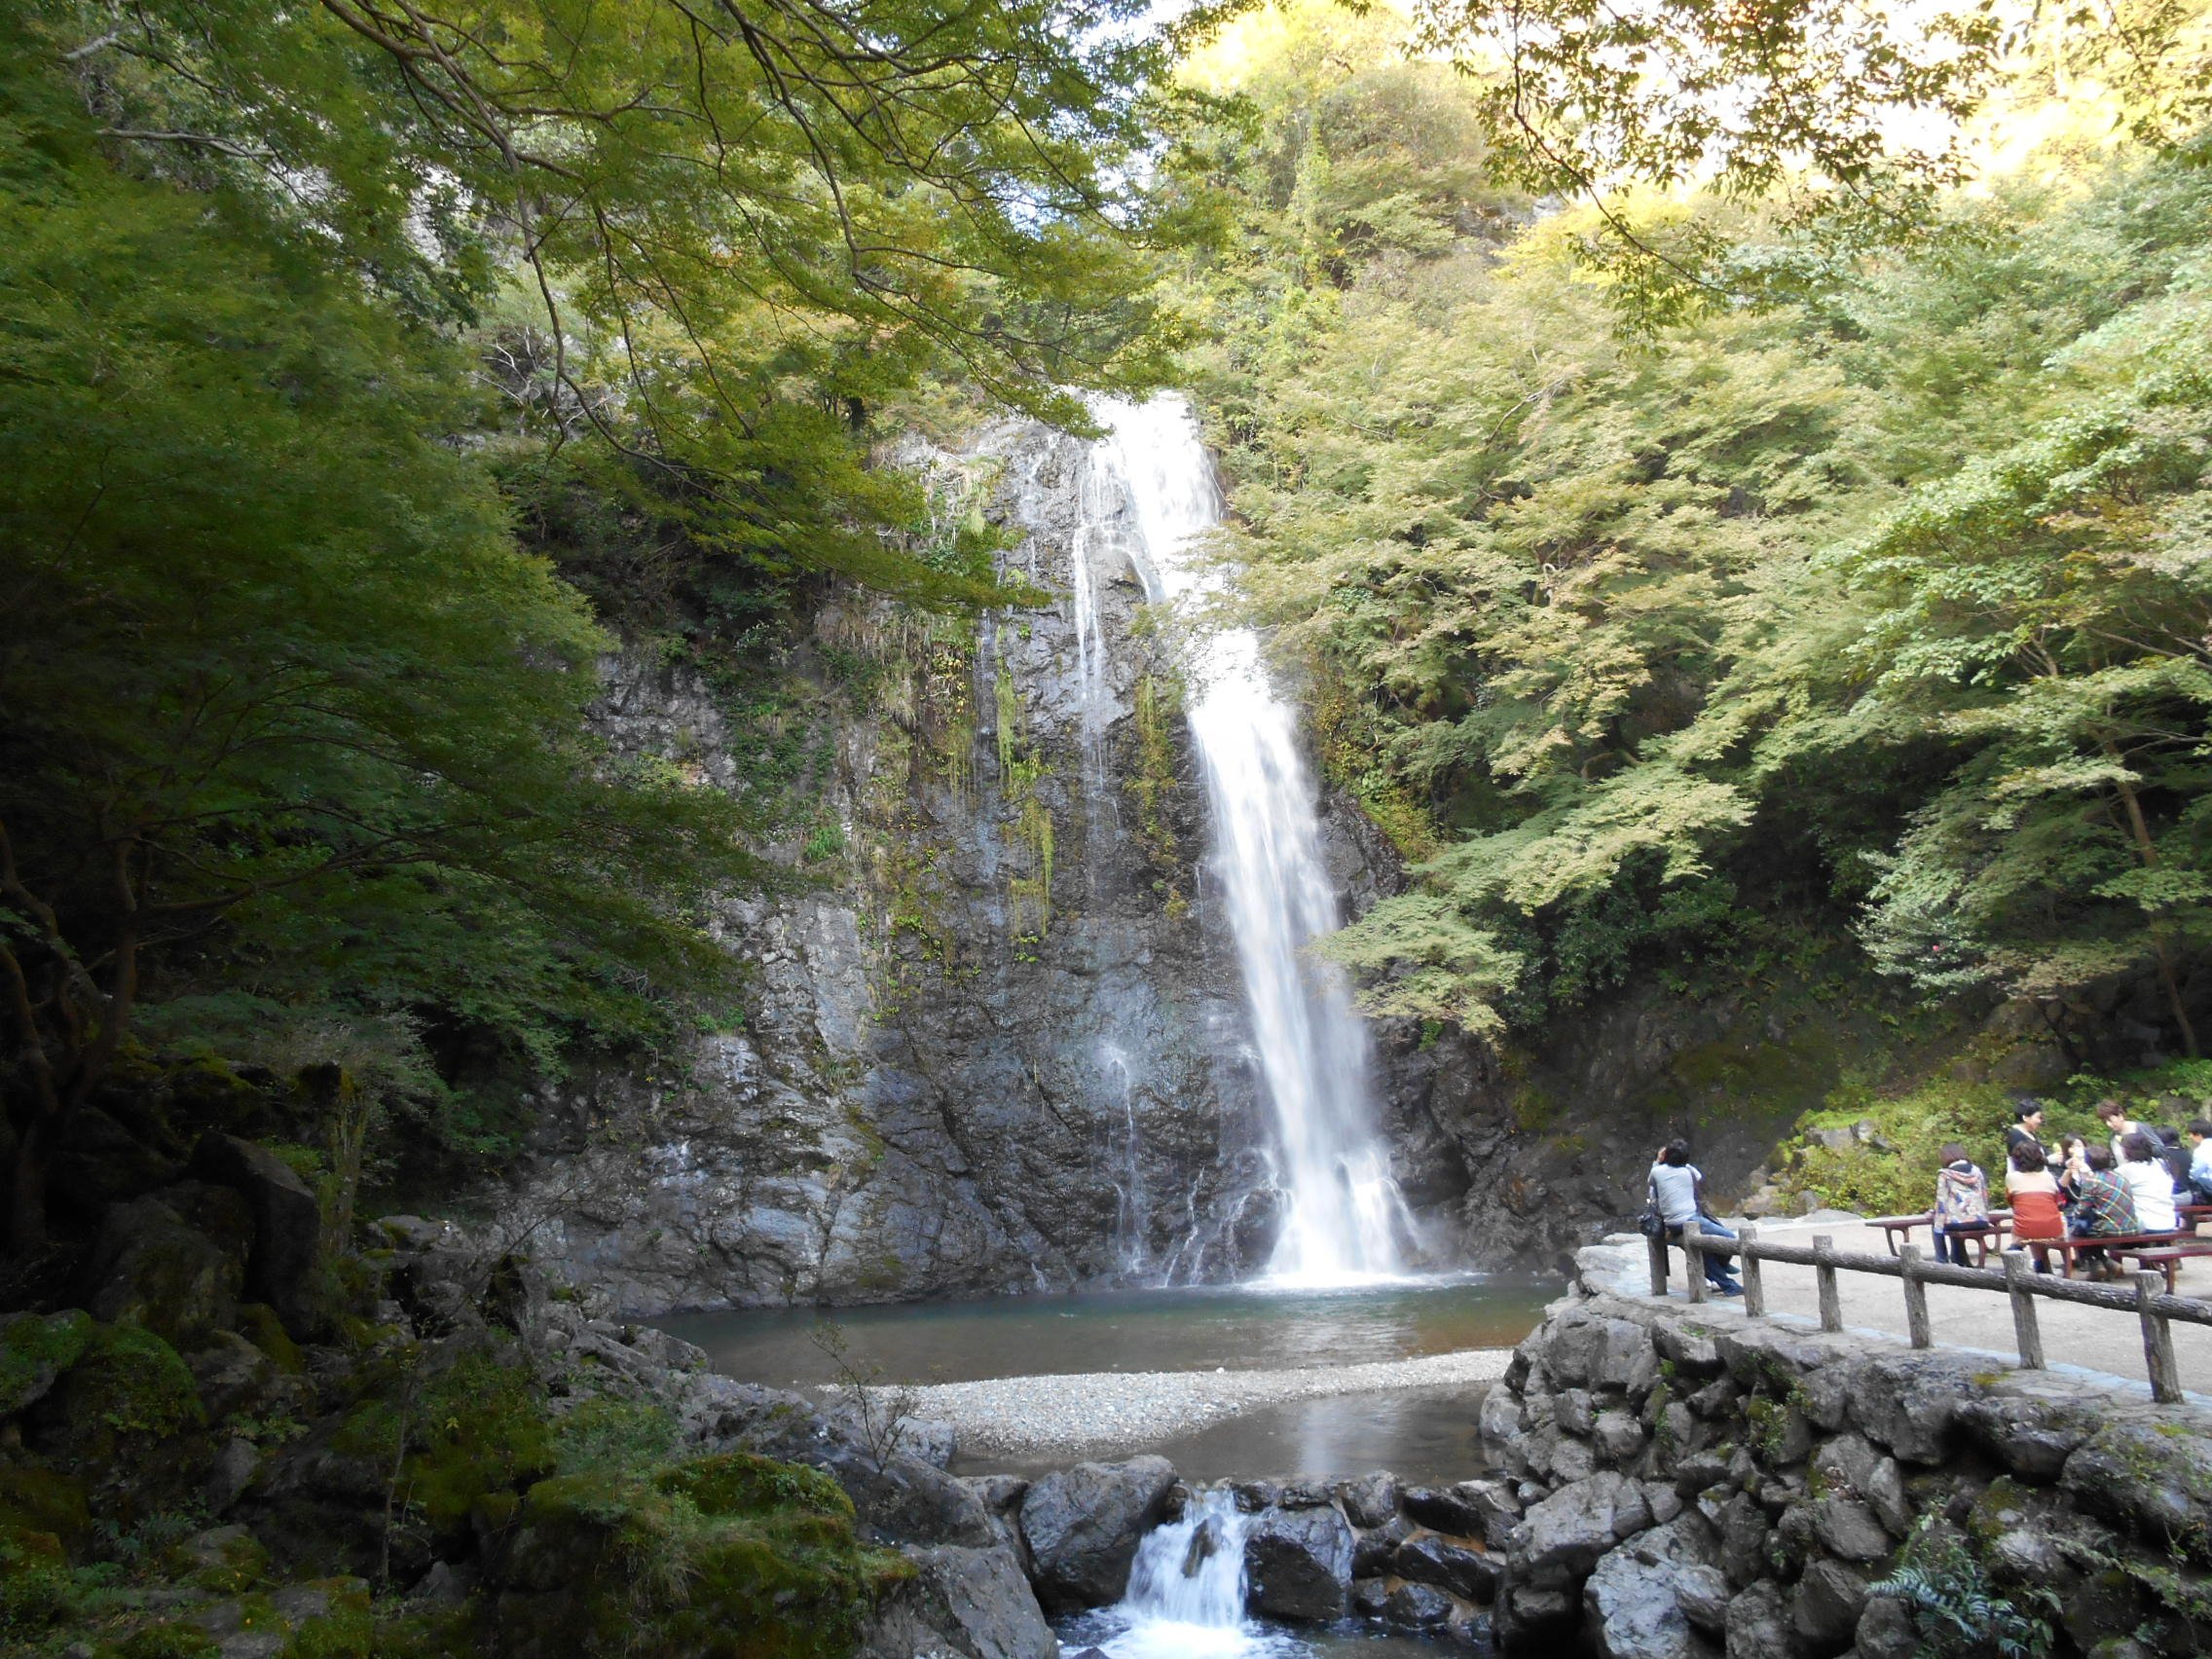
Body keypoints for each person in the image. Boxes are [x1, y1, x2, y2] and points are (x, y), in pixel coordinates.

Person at [1648, 1140, 1743, 1295]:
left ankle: (1730, 1287)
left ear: (1666, 1156)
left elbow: (1651, 1183)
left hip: (1671, 1224)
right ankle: (1723, 1265)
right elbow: (1699, 1178)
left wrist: (1659, 1161)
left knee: (1706, 1254)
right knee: (1730, 1239)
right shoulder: (1689, 1171)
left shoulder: (1657, 1171)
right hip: (1691, 1220)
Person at [2068, 1144, 2140, 1281]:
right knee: (2087, 1226)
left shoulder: (2092, 1181)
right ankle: (2106, 1263)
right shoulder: (2121, 1177)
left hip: (2109, 1228)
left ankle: (2098, 1264)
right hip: (2131, 1225)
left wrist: (2073, 1216)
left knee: (2078, 1228)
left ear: (2088, 1162)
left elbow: (2081, 1210)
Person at [2004, 1141, 2065, 1273]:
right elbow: (2056, 1201)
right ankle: (2040, 1264)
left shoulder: (2012, 1178)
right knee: (2038, 1219)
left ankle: (2016, 1254)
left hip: (2025, 1230)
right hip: (2054, 1229)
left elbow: (2012, 1202)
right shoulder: (2048, 1177)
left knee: (2024, 1224)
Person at [1931, 1143, 1991, 1267]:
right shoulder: (1977, 1172)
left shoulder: (1945, 1175)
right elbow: (1985, 1195)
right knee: (1952, 1219)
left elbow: (1941, 1202)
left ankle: (1941, 1260)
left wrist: (1934, 1215)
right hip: (1980, 1220)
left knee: (1939, 1223)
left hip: (1957, 1223)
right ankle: (1959, 1257)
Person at [2119, 1130, 2182, 1237]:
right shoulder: (2161, 1164)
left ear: (2127, 1151)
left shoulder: (2127, 1169)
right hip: (2169, 1221)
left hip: (2146, 1224)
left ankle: (2110, 1253)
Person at [2097, 1098, 2143, 1162]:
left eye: (2110, 1120)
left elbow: (2159, 1149)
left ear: (2120, 1116)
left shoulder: (2139, 1128)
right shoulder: (2112, 1137)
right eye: (2105, 1121)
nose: (2108, 1124)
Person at [2190, 1120, 2212, 1204]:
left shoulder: (2201, 1150)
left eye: (2191, 1134)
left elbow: (2195, 1173)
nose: (2190, 1137)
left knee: (2196, 1180)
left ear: (2199, 1134)